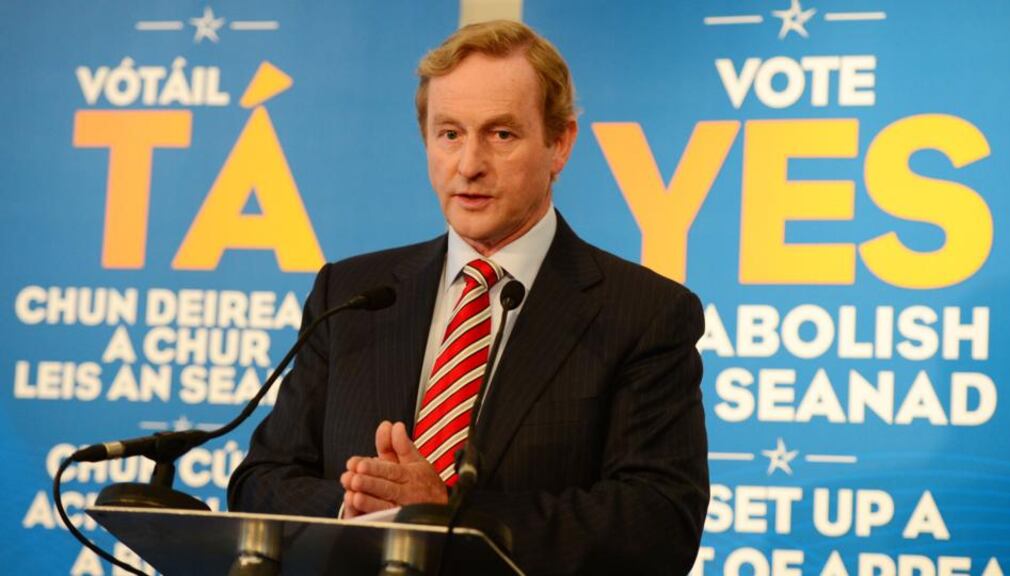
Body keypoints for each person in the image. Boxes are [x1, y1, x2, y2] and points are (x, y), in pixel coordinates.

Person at [228, 20, 709, 575]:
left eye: (501, 134)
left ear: (559, 144)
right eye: (449, 134)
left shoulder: (643, 314)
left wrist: (448, 515)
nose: (469, 164)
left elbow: (658, 523)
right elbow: (260, 481)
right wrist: (354, 509)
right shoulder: (352, 294)